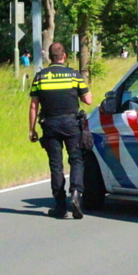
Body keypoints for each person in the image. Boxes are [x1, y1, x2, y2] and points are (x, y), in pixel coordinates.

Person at [28, 43, 93, 219]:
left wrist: (32, 129)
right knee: (76, 160)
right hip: (72, 124)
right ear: (64, 56)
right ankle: (76, 194)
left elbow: (34, 105)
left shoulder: (40, 77)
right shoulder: (74, 75)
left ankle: (60, 205)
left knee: (56, 165)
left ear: (50, 58)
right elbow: (88, 100)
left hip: (50, 124)